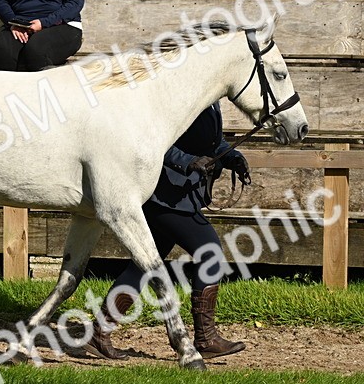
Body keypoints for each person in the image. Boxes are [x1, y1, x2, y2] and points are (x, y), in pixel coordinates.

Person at [82, 103, 252, 361]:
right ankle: (206, 338)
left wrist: (232, 157)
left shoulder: (209, 97)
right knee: (210, 254)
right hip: (167, 195)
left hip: (178, 196)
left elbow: (211, 142)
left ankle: (99, 333)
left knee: (143, 265)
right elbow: (156, 142)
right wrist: (189, 162)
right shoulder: (181, 95)